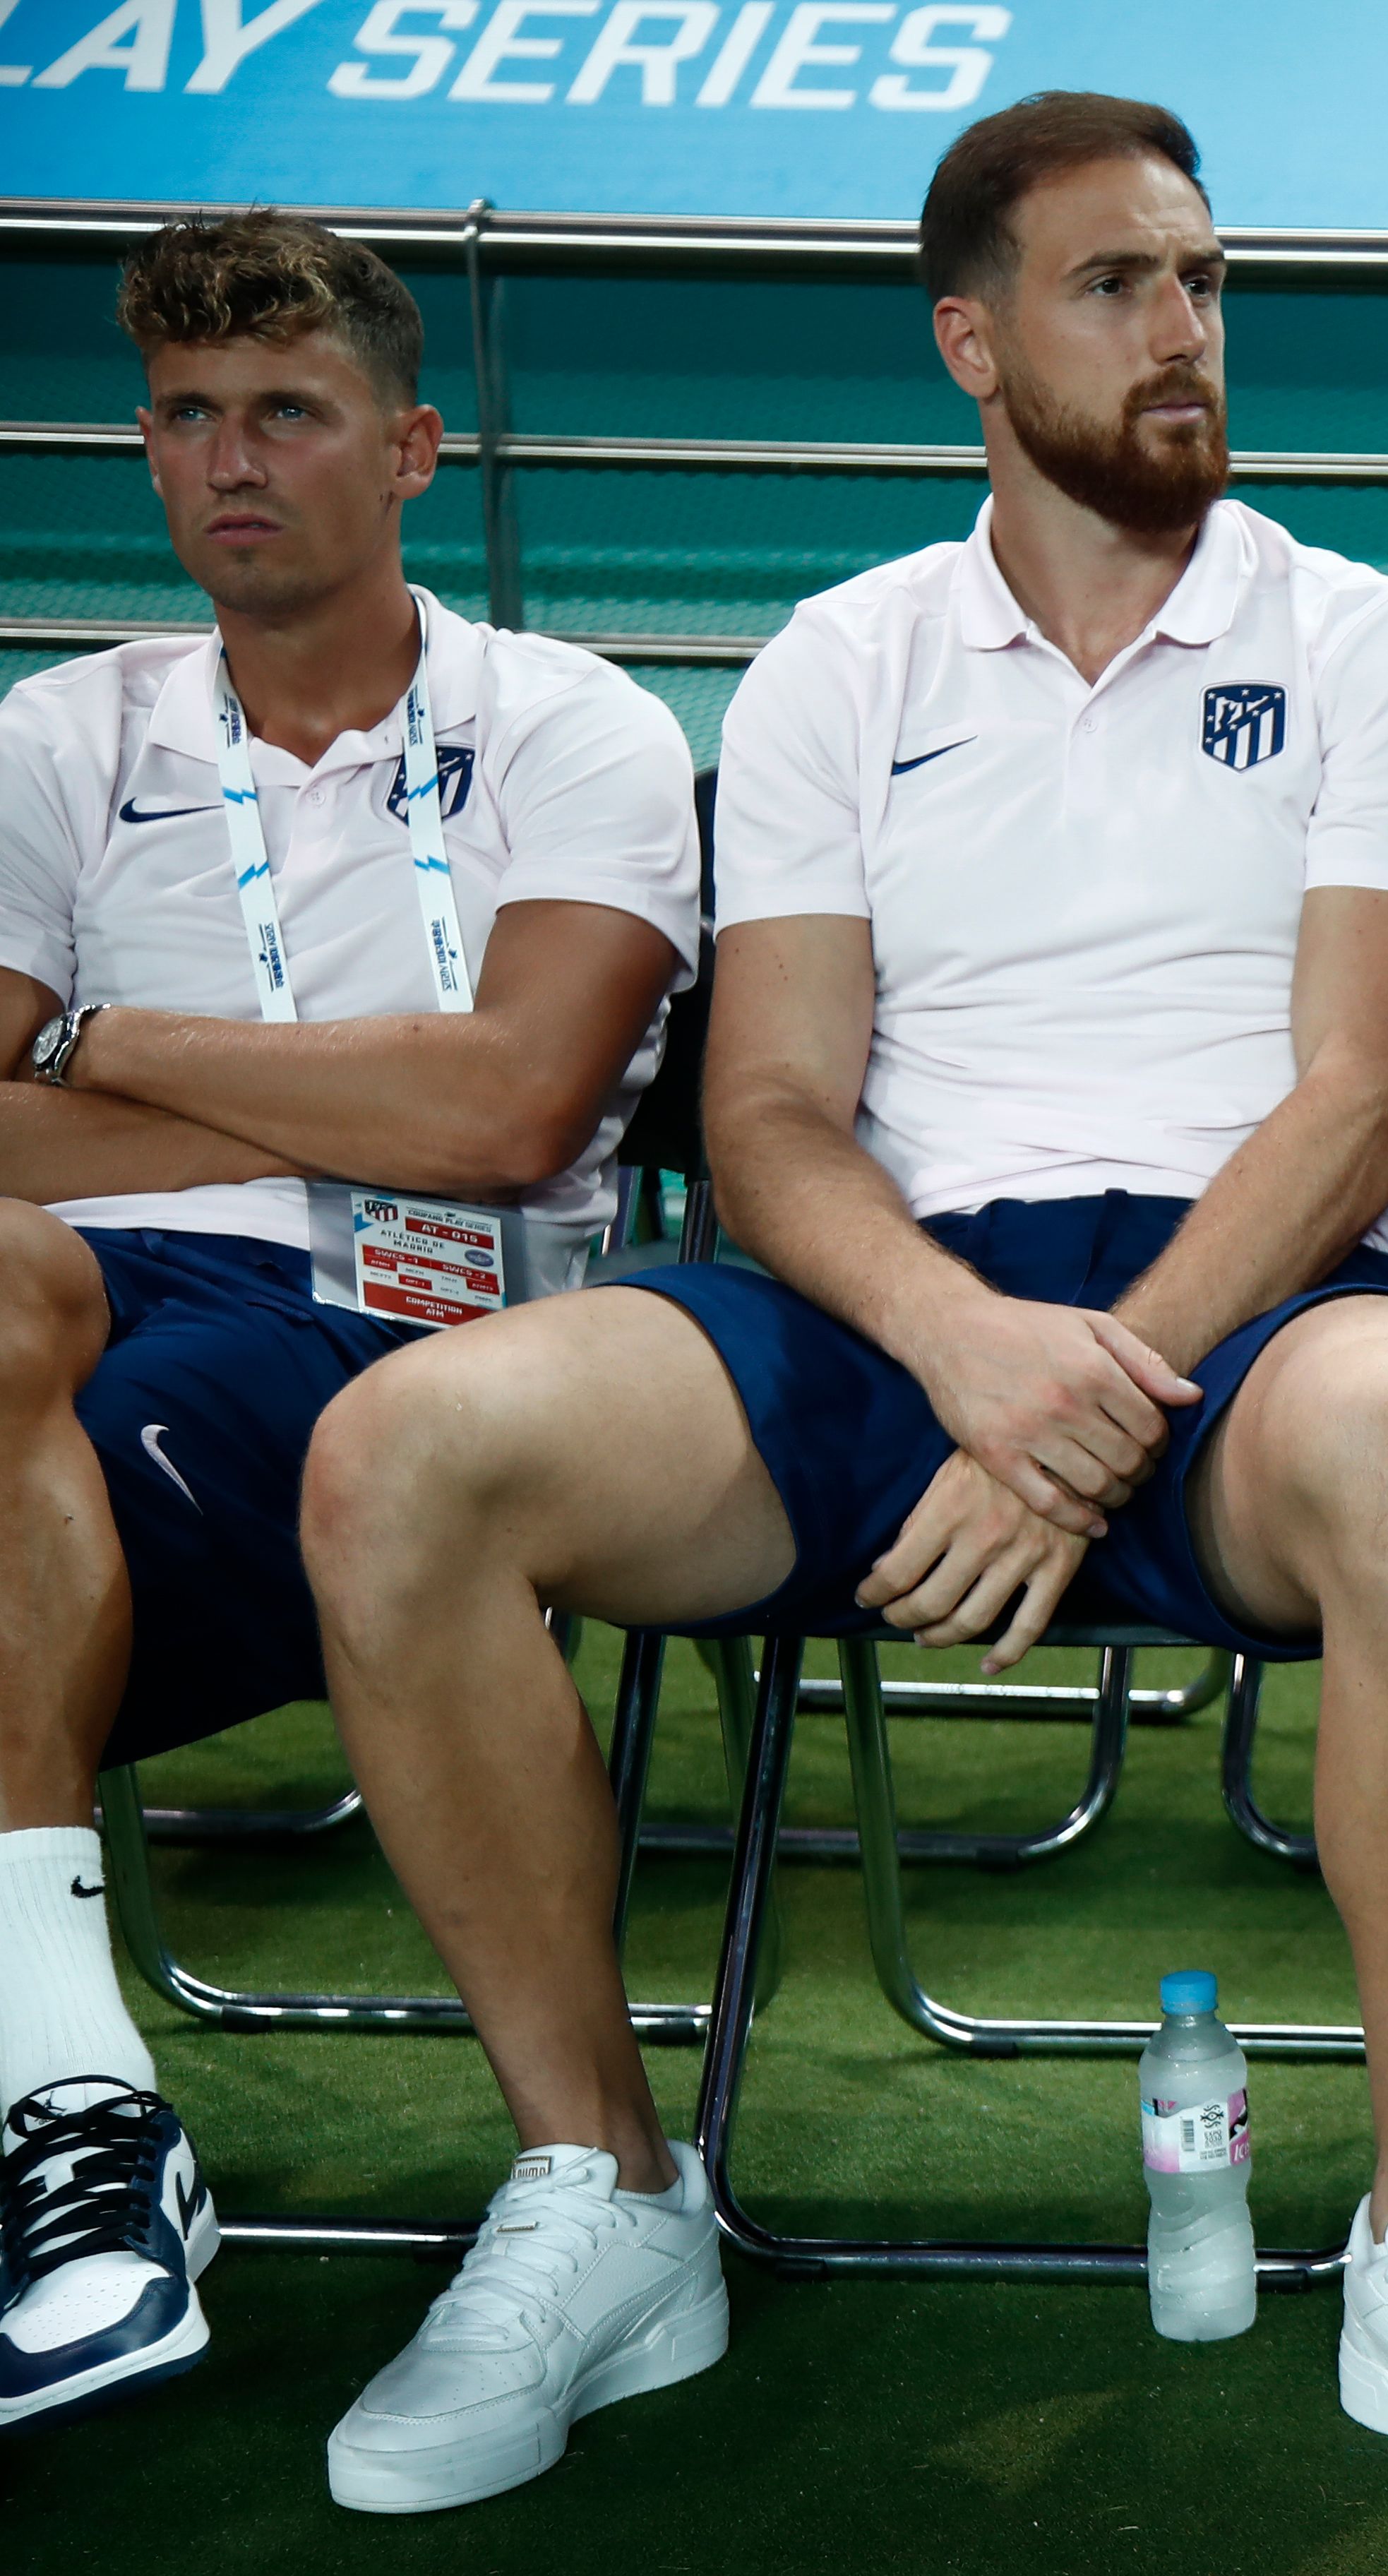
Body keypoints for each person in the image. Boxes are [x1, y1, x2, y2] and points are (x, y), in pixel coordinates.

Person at [289, 95, 1388, 2544]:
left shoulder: (1374, 642)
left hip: (1257, 1298)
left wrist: (1089, 1403)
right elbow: (771, 1113)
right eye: (1117, 284)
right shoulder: (844, 660)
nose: (1184, 330)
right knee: (403, 1453)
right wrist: (970, 1352)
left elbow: (1360, 1101)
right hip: (896, 1308)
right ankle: (607, 2197)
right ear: (972, 342)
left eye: (1203, 280)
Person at [0, 212, 700, 2447]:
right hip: (83, 1286)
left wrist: (101, 1039)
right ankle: (73, 2101)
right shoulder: (61, 733)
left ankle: (67, 2136)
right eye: (186, 417)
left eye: (287, 413)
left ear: (408, 450)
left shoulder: (570, 726)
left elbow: (508, 1117)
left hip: (401, 1325)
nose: (231, 460)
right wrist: (347, 1087)